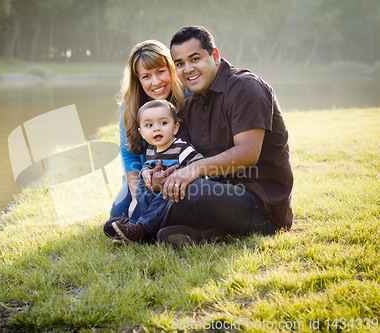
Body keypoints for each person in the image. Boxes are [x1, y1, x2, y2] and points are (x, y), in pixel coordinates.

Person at [150, 26, 293, 244]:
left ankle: (143, 230)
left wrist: (193, 170)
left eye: (194, 58)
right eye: (179, 64)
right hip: (218, 195)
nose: (187, 69)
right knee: (169, 190)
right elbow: (184, 157)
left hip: (261, 206)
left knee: (192, 191)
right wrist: (163, 178)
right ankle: (208, 233)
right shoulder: (190, 105)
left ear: (214, 56)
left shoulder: (245, 87)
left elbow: (248, 152)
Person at [108, 40, 187, 221]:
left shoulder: (187, 98)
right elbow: (129, 156)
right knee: (118, 216)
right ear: (138, 80)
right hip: (146, 178)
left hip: (180, 174)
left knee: (163, 211)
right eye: (146, 76)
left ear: (171, 69)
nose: (156, 82)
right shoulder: (129, 108)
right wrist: (136, 197)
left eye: (161, 71)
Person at [110, 100, 203, 244]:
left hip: (176, 193)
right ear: (141, 132)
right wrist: (145, 172)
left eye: (163, 123)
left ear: (175, 128)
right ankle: (132, 228)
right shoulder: (152, 149)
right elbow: (148, 164)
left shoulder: (181, 149)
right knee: (147, 195)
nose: (156, 129)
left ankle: (140, 230)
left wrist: (186, 175)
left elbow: (201, 164)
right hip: (159, 190)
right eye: (149, 125)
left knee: (162, 197)